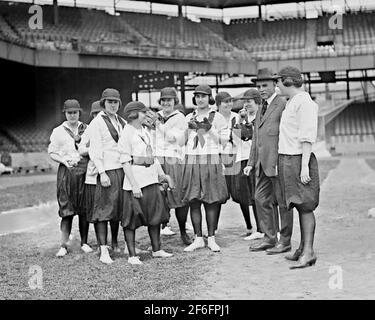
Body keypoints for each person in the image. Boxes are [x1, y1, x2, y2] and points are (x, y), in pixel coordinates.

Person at [244, 68, 293, 254]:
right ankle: (269, 237)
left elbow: (287, 135)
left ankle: (285, 241)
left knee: (282, 203)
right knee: (260, 199)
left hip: (278, 163)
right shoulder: (260, 109)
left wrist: (285, 162)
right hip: (261, 165)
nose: (261, 89)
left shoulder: (282, 104)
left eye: (265, 85)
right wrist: (250, 163)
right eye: (259, 86)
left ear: (275, 84)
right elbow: (256, 139)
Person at [118, 101, 174, 265]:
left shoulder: (145, 131)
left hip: (150, 178)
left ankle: (157, 250)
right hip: (136, 180)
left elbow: (153, 157)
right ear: (134, 114)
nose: (146, 116)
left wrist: (162, 175)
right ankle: (132, 255)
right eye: (143, 113)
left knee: (155, 214)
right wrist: (134, 185)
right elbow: (125, 162)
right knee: (132, 218)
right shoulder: (126, 133)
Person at [276, 66, 320, 269]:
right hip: (287, 158)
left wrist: (304, 167)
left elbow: (307, 137)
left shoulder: (305, 102)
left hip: (298, 159)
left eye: (278, 81)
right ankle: (302, 248)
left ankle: (309, 251)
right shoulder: (292, 102)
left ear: (287, 81)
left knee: (304, 205)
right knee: (295, 202)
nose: (276, 85)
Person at [182, 85, 229, 252]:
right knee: (194, 201)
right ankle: (198, 238)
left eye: (203, 96)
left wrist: (210, 129)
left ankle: (211, 238)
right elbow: (181, 142)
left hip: (211, 160)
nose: (200, 99)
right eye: (197, 96)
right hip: (192, 160)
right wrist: (188, 129)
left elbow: (224, 142)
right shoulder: (189, 116)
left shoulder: (218, 117)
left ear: (209, 97)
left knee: (211, 200)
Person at [48, 99, 92, 257]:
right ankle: (64, 245)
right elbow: (52, 152)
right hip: (66, 172)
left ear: (79, 112)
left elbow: (93, 147)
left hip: (84, 170)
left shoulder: (87, 129)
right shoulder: (58, 131)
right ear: (65, 113)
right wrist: (64, 161)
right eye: (69, 112)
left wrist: (84, 153)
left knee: (84, 209)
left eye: (75, 112)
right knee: (66, 209)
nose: (72, 115)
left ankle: (85, 242)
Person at [88, 88, 125, 264]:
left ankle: (115, 243)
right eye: (109, 102)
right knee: (104, 210)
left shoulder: (120, 121)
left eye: (115, 102)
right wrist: (102, 172)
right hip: (107, 171)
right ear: (103, 103)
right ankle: (103, 250)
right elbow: (95, 151)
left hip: (121, 169)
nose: (113, 105)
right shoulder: (97, 122)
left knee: (117, 209)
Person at [154, 87, 192, 245]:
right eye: (163, 100)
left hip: (173, 159)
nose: (166, 103)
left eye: (169, 100)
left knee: (178, 196)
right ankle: (157, 235)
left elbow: (174, 139)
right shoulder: (156, 116)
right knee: (157, 197)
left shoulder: (179, 117)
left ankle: (183, 232)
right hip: (157, 159)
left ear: (174, 102)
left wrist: (159, 125)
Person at [230, 89, 262, 240]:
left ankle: (261, 228)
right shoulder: (240, 117)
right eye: (245, 101)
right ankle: (251, 226)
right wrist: (240, 121)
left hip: (255, 158)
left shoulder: (261, 116)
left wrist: (248, 123)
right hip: (241, 158)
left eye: (249, 101)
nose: (246, 104)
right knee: (242, 194)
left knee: (257, 194)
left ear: (257, 101)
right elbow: (236, 140)